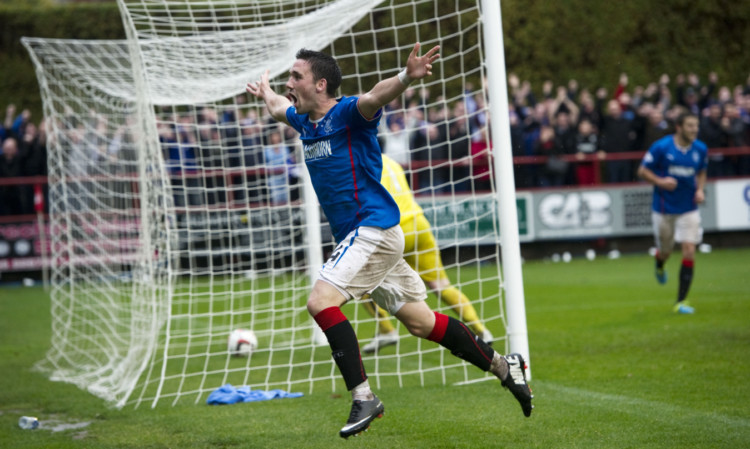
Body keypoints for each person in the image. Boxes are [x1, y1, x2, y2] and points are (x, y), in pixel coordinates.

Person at [246, 43, 533, 438]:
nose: (289, 82)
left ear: (321, 84)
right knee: (420, 323)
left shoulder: (348, 113)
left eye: (297, 76)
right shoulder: (304, 120)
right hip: (366, 237)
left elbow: (374, 96)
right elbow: (279, 107)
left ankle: (363, 397)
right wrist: (266, 94)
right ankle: (506, 367)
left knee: (320, 302)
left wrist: (405, 76)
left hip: (373, 229)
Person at [361, 154, 493, 354]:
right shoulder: (392, 161)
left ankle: (386, 330)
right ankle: (481, 330)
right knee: (441, 286)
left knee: (360, 280)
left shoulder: (363, 162)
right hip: (419, 224)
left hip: (395, 228)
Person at [637, 111, 707, 314]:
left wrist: (700, 189)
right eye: (690, 126)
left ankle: (681, 302)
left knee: (689, 249)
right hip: (663, 208)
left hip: (688, 208)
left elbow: (702, 170)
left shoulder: (700, 149)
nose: (694, 130)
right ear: (679, 127)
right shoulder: (661, 147)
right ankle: (660, 263)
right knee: (666, 251)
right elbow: (642, 171)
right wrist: (660, 182)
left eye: (696, 126)